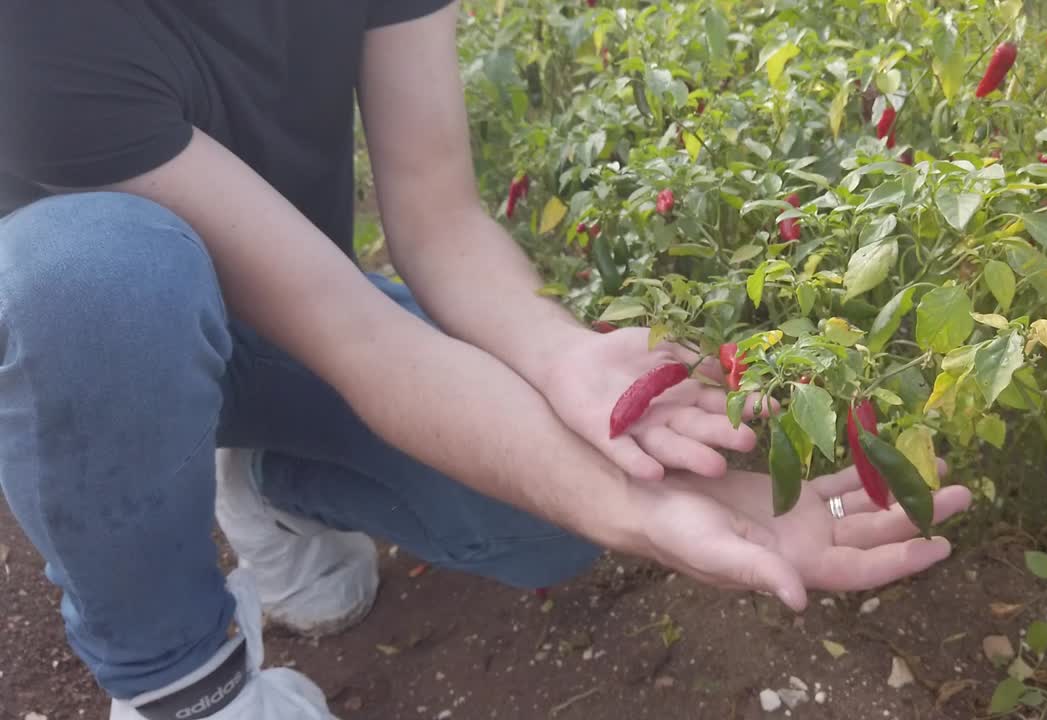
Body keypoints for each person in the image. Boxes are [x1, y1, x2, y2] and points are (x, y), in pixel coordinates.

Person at [0, 2, 972, 718]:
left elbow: (436, 217)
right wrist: (624, 500)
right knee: (96, 278)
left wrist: (564, 364)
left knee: (545, 523)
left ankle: (267, 479)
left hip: (295, 297)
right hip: (90, 365)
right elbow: (362, 340)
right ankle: (180, 685)